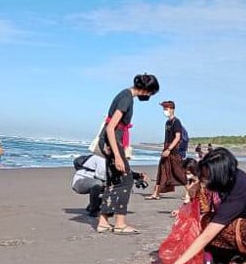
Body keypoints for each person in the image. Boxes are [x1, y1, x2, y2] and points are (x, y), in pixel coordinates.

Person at [95, 73, 159, 234]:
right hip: (112, 141)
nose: (150, 96)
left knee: (114, 180)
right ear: (146, 90)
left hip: (109, 141)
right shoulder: (127, 98)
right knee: (126, 180)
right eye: (151, 93)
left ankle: (103, 221)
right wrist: (117, 155)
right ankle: (120, 223)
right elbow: (111, 127)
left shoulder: (124, 94)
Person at [72, 155, 148, 217]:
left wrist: (139, 176)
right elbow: (102, 177)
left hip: (93, 182)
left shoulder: (111, 161)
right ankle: (94, 210)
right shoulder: (101, 159)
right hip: (80, 182)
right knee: (99, 184)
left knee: (111, 185)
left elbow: (124, 172)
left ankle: (93, 205)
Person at [146, 100, 188, 200]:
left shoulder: (176, 122)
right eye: (164, 109)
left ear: (172, 109)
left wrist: (169, 149)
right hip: (166, 149)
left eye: (166, 108)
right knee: (162, 170)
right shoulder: (167, 122)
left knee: (178, 172)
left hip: (173, 151)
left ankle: (189, 192)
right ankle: (156, 193)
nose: (164, 111)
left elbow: (178, 137)